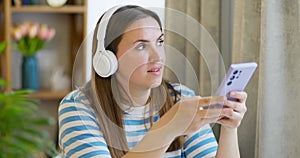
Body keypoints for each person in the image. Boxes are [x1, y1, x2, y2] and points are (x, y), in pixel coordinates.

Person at [58, 5, 247, 158]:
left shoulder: (180, 97)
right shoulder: (77, 107)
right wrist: (169, 126)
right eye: (141, 46)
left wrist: (229, 128)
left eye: (160, 42)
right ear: (108, 59)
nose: (158, 57)